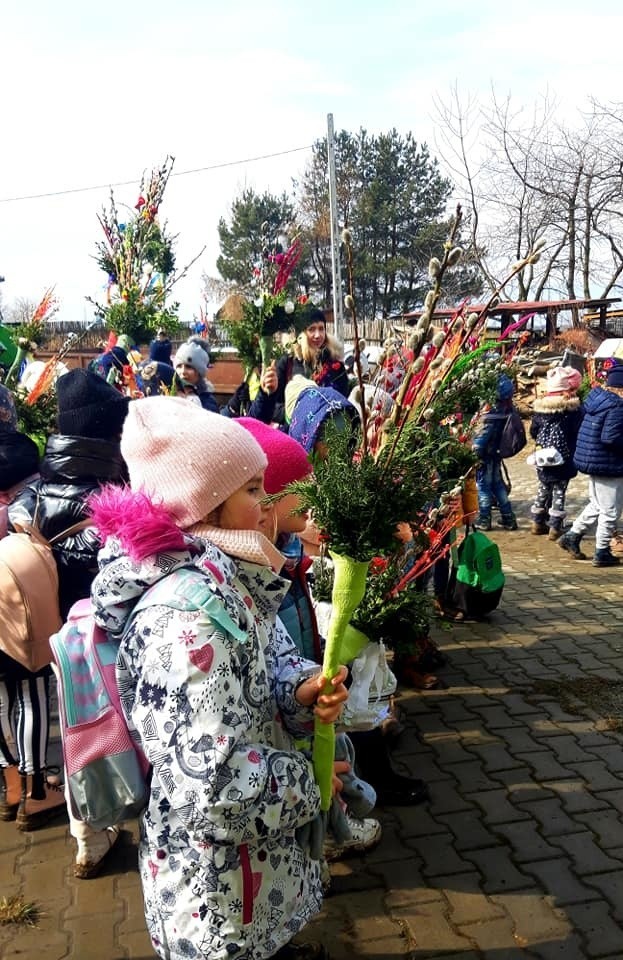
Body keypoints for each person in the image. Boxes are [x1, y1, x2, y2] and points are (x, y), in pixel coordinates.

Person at [88, 398, 348, 960]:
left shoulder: (226, 581)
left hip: (247, 868)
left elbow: (266, 663)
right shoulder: (189, 620)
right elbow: (209, 783)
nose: (264, 506)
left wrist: (299, 690)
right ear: (202, 500)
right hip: (215, 887)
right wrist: (310, 780)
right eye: (252, 491)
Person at [238, 417, 382, 863]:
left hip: (300, 701)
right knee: (319, 767)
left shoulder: (284, 553)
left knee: (332, 756)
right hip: (277, 740)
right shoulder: (253, 578)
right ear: (269, 502)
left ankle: (324, 835)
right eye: (302, 484)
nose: (313, 493)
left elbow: (284, 655)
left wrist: (307, 685)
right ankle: (318, 847)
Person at [8, 368, 129, 854]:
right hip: (115, 636)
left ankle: (88, 835)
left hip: (63, 639)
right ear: (106, 432)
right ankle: (125, 817)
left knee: (79, 729)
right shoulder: (119, 497)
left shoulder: (31, 496)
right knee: (122, 729)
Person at [0, 386, 41, 822]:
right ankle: (34, 792)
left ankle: (10, 784)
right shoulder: (26, 460)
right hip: (13, 589)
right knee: (29, 688)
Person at [559, 360, 623, 566]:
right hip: (608, 464)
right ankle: (602, 551)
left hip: (594, 460)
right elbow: (611, 438)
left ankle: (572, 536)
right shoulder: (617, 406)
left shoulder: (598, 401)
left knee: (597, 504)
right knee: (610, 511)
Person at [529, 366, 584, 540]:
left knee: (543, 487)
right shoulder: (572, 410)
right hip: (564, 457)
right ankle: (555, 527)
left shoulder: (540, 409)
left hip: (542, 455)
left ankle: (537, 522)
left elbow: (533, 431)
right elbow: (578, 431)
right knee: (560, 490)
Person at [272, 310, 349, 423]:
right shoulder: (288, 363)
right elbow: (272, 405)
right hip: (292, 433)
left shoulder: (335, 366)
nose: (318, 335)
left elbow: (343, 402)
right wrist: (294, 413)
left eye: (321, 328)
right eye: (311, 329)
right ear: (301, 334)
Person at [472, 374, 519, 531]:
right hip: (496, 454)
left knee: (483, 486)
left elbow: (481, 440)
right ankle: (508, 517)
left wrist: (473, 454)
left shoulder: (490, 416)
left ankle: (484, 519)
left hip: (485, 456)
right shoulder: (508, 410)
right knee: (498, 484)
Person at [173, 339, 219, 412]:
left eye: (189, 367)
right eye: (179, 366)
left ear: (199, 372)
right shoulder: (168, 394)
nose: (183, 372)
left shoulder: (207, 403)